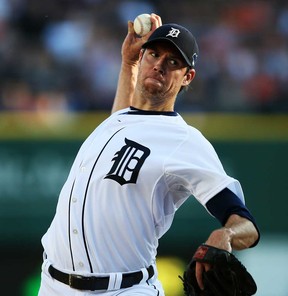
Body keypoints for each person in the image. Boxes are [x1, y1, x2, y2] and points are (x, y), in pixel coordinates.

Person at [38, 14, 259, 296]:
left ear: (187, 77)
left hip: (123, 289)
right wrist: (127, 62)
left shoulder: (184, 141)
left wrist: (225, 234)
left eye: (173, 62)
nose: (159, 65)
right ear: (142, 58)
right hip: (52, 285)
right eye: (153, 54)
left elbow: (246, 223)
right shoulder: (117, 121)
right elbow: (125, 117)